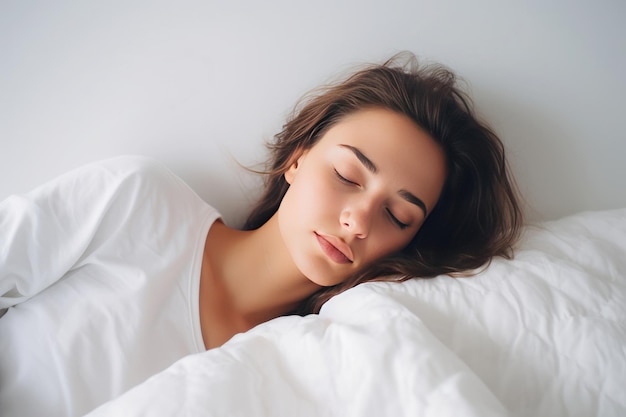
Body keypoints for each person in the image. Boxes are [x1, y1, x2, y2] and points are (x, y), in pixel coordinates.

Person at [0, 53, 523, 417]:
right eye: (347, 176)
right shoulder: (138, 202)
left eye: (398, 217)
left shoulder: (304, 365)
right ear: (297, 159)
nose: (359, 222)